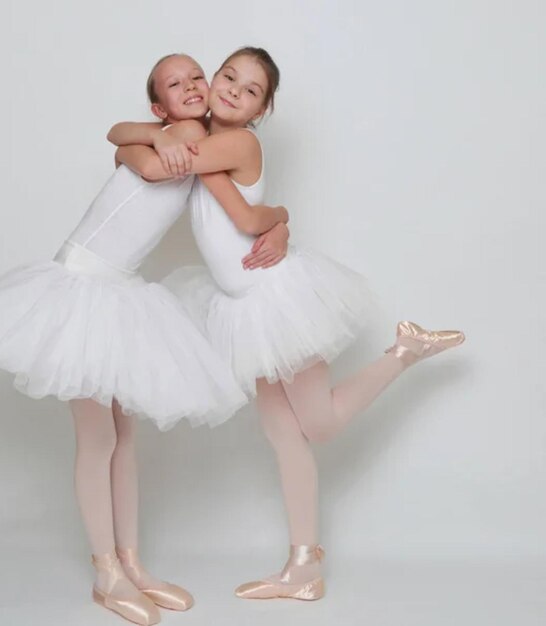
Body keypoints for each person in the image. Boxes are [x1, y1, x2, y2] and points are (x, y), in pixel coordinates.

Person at [0, 53, 288, 625]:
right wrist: (142, 142)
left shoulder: (198, 142)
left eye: (197, 76)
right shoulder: (185, 135)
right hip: (79, 286)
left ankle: (132, 563)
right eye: (177, 82)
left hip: (118, 290)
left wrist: (278, 219)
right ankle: (106, 572)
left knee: (123, 437)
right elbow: (135, 156)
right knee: (98, 439)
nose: (193, 85)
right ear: (158, 105)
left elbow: (134, 151)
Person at [112, 46, 465, 602]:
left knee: (317, 425)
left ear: (261, 109)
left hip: (275, 300)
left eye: (250, 90)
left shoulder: (237, 141)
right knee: (283, 435)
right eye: (227, 76)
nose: (231, 89)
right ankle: (303, 567)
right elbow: (122, 134)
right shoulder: (195, 132)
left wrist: (273, 214)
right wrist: (158, 134)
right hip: (242, 308)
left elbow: (247, 216)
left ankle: (404, 351)